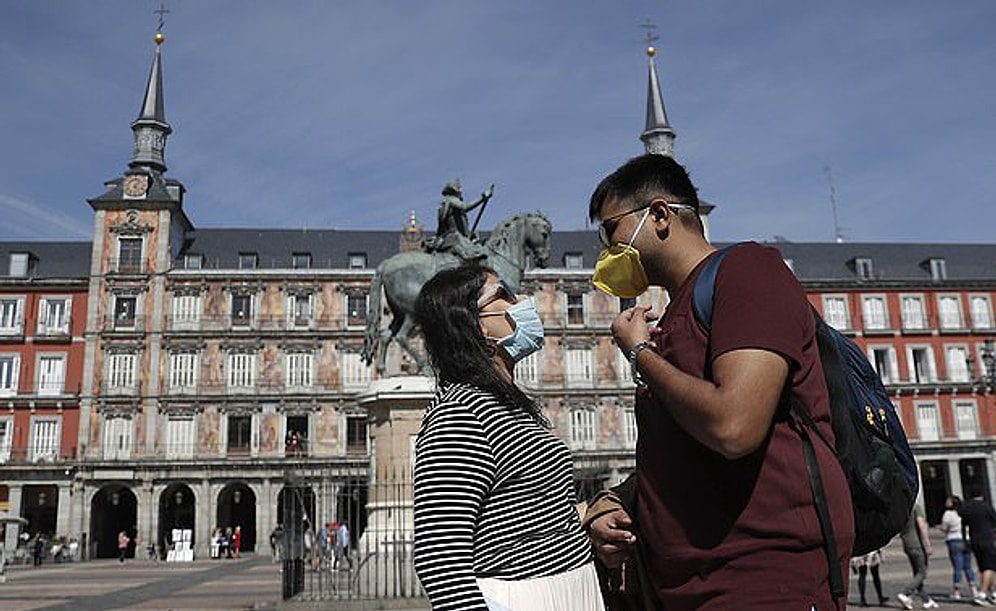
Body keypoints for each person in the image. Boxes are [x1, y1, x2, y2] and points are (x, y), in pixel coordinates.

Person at [585, 154, 854, 609]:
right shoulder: (673, 317)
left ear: (659, 215)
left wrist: (639, 353)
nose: (608, 250)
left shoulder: (749, 272)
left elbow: (734, 426)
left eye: (611, 230)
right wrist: (614, 505)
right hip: (690, 587)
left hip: (762, 581)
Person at [411, 264, 602, 611]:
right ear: (476, 325)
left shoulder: (508, 405)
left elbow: (534, 514)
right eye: (505, 294)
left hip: (572, 592)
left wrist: (591, 517)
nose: (523, 300)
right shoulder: (459, 413)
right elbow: (440, 560)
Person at [423, 179, 493, 261]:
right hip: (455, 238)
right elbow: (465, 207)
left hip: (452, 238)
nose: (461, 192)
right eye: (460, 189)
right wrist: (483, 197)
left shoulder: (446, 203)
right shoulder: (451, 200)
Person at [897, 506, 940, 609]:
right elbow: (922, 525)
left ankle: (927, 600)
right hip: (917, 544)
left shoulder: (902, 510)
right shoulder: (916, 508)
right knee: (922, 573)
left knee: (917, 573)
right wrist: (927, 544)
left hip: (907, 544)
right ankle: (904, 593)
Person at [938, 495, 979, 601]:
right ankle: (974, 590)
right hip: (966, 539)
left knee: (957, 567)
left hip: (953, 540)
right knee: (968, 567)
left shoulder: (948, 514)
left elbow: (944, 528)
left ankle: (957, 591)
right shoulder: (963, 512)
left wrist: (940, 528)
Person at [961, 489, 996, 604]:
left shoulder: (966, 509)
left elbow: (963, 526)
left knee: (985, 567)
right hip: (987, 539)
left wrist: (965, 541)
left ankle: (994, 593)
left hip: (974, 540)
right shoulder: (986, 507)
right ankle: (982, 593)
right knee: (989, 567)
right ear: (982, 495)